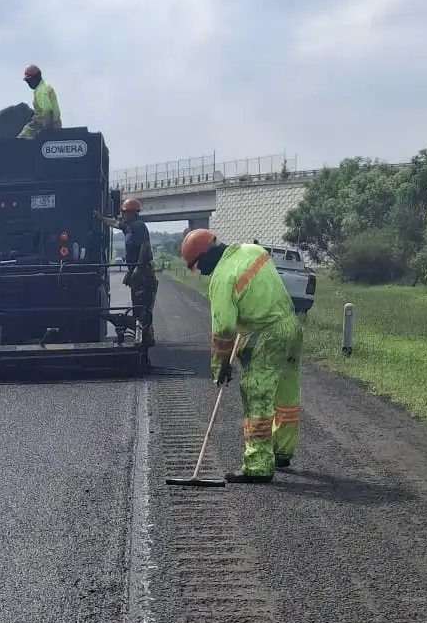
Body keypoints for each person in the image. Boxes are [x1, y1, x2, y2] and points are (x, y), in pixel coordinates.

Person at [179, 227, 302, 482]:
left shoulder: (223, 278)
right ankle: (282, 451)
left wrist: (220, 366)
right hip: (292, 327)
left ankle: (257, 466)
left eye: (198, 265)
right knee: (286, 393)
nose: (201, 272)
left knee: (257, 394)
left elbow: (224, 330)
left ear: (206, 254)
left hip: (269, 335)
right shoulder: (254, 250)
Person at [118, 198, 157, 349]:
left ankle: (146, 339)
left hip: (144, 274)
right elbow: (114, 223)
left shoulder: (139, 226)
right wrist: (100, 218)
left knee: (143, 308)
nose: (122, 215)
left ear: (132, 213)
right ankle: (144, 337)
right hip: (137, 273)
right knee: (138, 307)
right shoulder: (128, 228)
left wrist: (136, 269)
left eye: (124, 213)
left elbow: (144, 247)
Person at [17, 65, 61, 139]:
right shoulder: (45, 87)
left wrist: (46, 132)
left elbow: (48, 111)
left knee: (24, 135)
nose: (28, 83)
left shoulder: (41, 91)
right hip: (55, 123)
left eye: (29, 80)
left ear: (34, 78)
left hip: (47, 124)